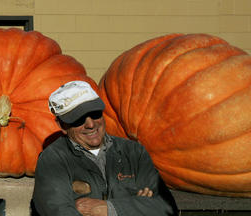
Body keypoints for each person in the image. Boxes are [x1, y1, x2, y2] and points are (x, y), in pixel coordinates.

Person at [32, 80, 177, 216]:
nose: (90, 124)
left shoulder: (134, 152)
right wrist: (137, 205)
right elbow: (58, 212)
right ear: (62, 125)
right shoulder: (53, 160)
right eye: (78, 119)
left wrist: (108, 208)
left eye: (95, 114)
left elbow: (166, 208)